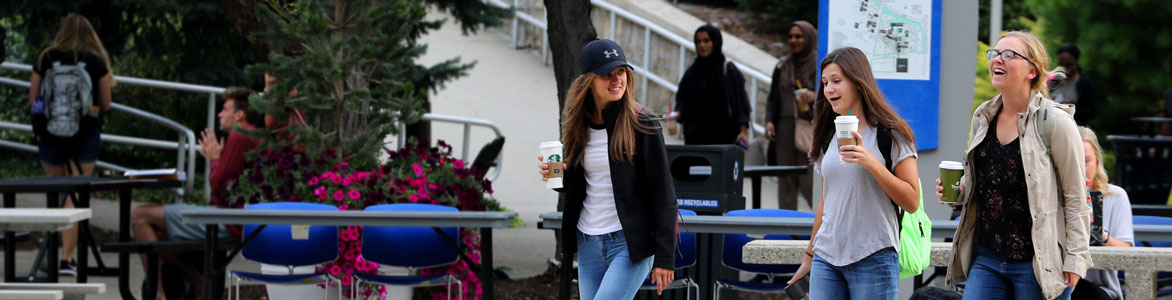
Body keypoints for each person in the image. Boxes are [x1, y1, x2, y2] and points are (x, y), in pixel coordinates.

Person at [938, 31, 1090, 300]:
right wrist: (959, 193)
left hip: (1036, 260)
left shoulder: (1055, 122)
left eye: (1009, 55)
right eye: (995, 53)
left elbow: (1076, 195)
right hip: (987, 256)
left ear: (1032, 71)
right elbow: (987, 182)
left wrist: (1076, 259)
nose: (998, 59)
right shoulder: (983, 116)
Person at [536, 39, 677, 299]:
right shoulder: (579, 122)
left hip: (628, 243)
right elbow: (588, 183)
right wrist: (559, 175)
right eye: (607, 74)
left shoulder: (642, 123)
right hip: (588, 242)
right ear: (589, 80)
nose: (617, 80)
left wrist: (665, 256)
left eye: (621, 71)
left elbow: (663, 193)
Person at [787, 47, 921, 300]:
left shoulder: (891, 134)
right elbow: (827, 201)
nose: (829, 90)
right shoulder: (828, 135)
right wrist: (809, 256)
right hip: (826, 257)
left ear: (859, 83)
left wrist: (870, 162)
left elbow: (912, 202)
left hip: (873, 255)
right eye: (825, 83)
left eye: (837, 81)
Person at [130, 87, 261, 300]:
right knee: (154, 234)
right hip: (230, 217)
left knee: (140, 216)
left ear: (239, 115)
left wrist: (214, 158)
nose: (219, 113)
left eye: (225, 109)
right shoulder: (248, 136)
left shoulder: (239, 136)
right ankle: (197, 282)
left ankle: (158, 293)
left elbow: (218, 185)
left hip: (227, 219)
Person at [28, 13, 115, 276]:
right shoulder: (96, 62)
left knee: (56, 193)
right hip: (84, 138)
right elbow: (105, 103)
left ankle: (52, 252)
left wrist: (44, 129)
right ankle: (67, 260)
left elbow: (35, 100)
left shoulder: (46, 58)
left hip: (50, 137)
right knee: (73, 196)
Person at [1070, 126, 1133, 300]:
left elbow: (1128, 253)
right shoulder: (1051, 198)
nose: (1080, 169)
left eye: (1086, 160)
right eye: (1073, 161)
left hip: (1100, 287)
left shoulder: (1115, 196)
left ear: (1097, 160)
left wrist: (1100, 235)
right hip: (1060, 282)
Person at [765, 20, 817, 210]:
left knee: (809, 180)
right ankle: (786, 228)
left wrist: (814, 95)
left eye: (799, 36)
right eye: (791, 36)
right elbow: (772, 98)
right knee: (785, 178)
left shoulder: (818, 65)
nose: (793, 40)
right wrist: (769, 121)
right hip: (784, 128)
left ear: (809, 38)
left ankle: (818, 226)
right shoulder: (783, 66)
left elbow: (831, 94)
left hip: (808, 127)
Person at [672, 25, 751, 147]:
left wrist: (743, 130)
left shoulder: (728, 70)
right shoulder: (692, 72)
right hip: (695, 140)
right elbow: (683, 99)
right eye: (698, 42)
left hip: (723, 139)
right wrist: (677, 113)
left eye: (706, 41)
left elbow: (740, 103)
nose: (701, 45)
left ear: (715, 42)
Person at [1049, 44, 1097, 126]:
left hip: (1076, 128)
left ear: (1076, 62)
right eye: (1061, 65)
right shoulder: (1053, 80)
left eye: (1068, 65)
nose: (1065, 68)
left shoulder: (1085, 83)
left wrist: (1070, 107)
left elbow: (1092, 113)